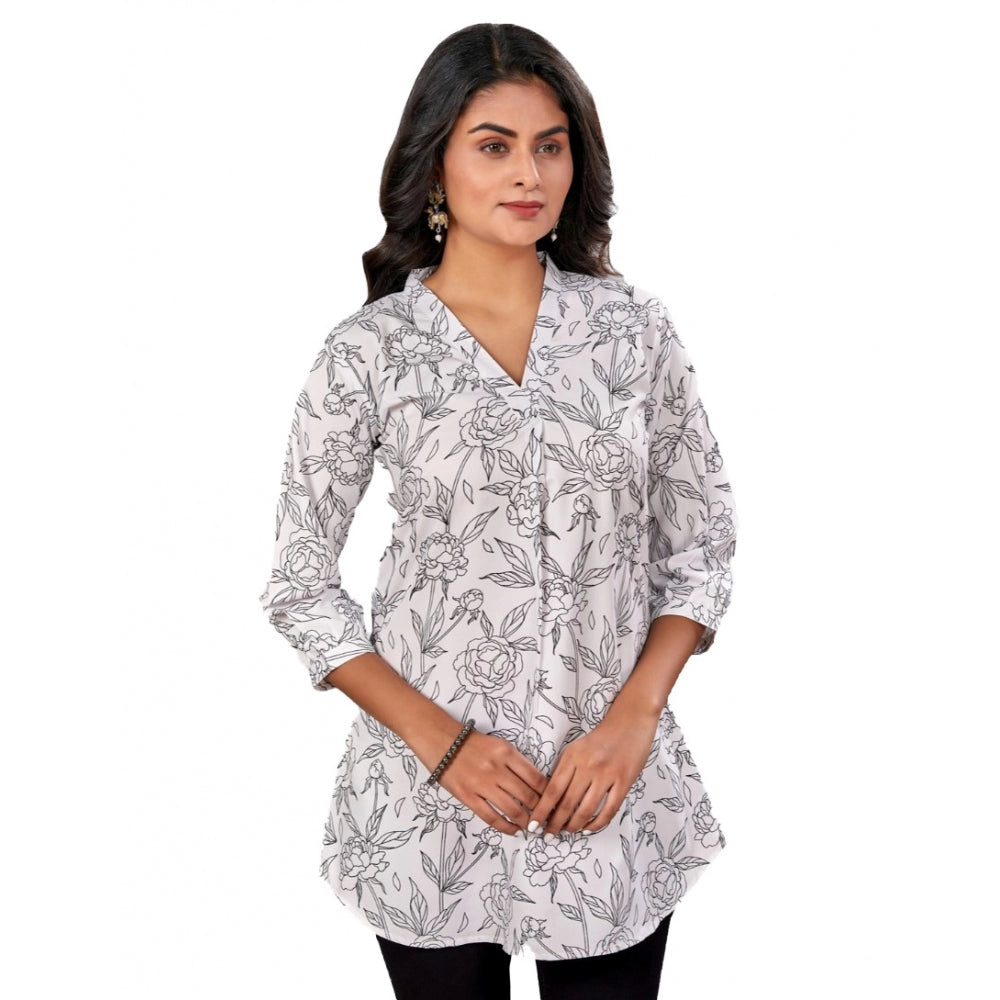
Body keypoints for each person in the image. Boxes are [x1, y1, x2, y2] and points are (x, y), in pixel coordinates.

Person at [258, 22, 738, 1000]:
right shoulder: (369, 353)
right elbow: (300, 586)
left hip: (607, 795)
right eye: (494, 145)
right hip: (426, 805)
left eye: (550, 145)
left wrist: (633, 719)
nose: (528, 173)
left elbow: (700, 550)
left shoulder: (632, 333)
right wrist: (442, 745)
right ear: (435, 161)